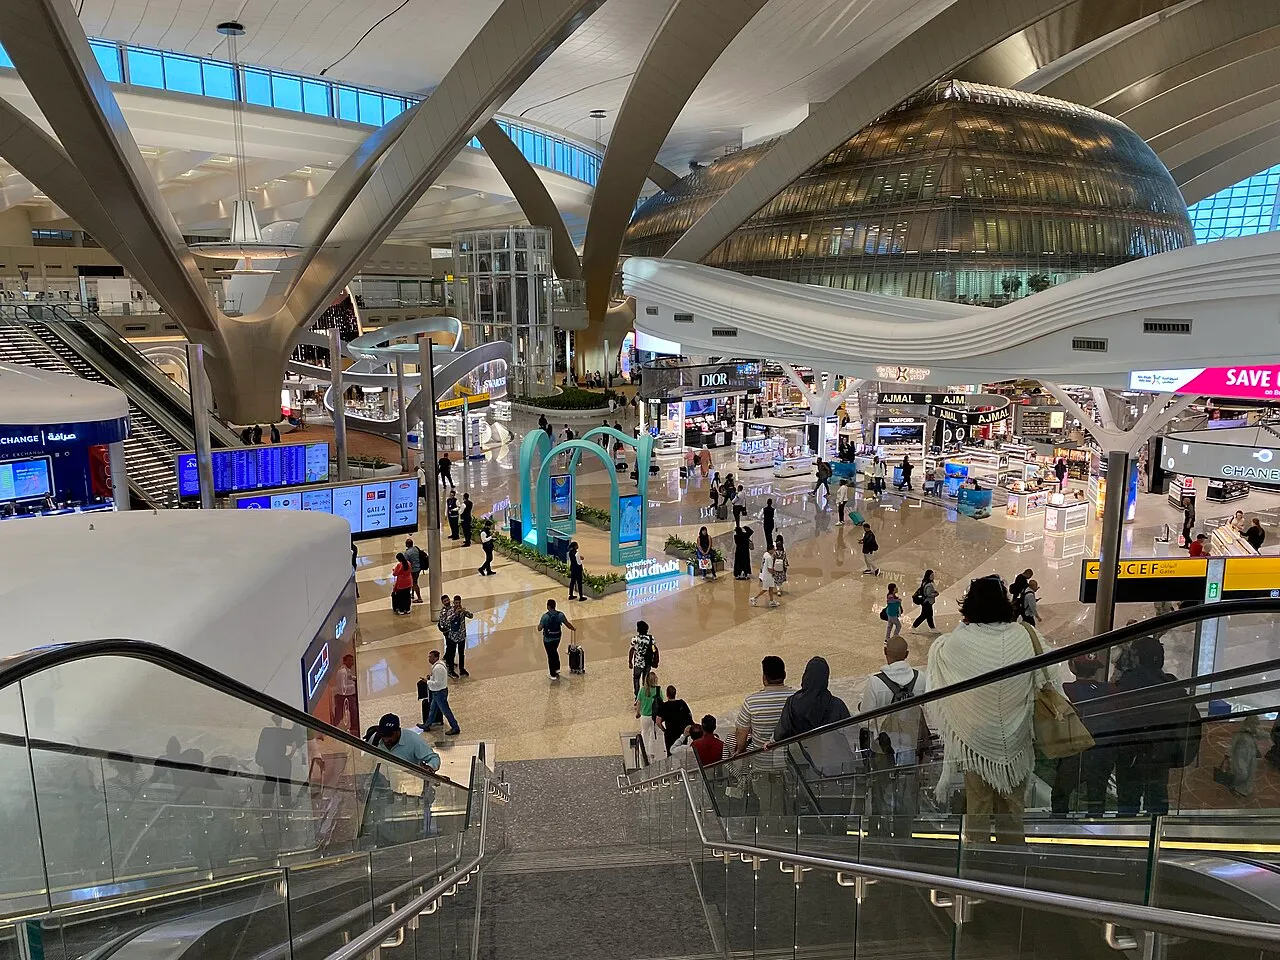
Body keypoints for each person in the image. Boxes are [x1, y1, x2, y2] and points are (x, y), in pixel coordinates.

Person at [926, 575, 1040, 845]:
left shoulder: (958, 642)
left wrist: (963, 627)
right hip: (1016, 736)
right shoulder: (1023, 635)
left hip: (976, 740)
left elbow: (938, 659)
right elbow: (1047, 678)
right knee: (1013, 807)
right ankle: (1013, 858)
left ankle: (978, 859)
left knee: (977, 806)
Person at [1114, 636, 1197, 816]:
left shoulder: (1131, 681)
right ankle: (1157, 828)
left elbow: (1117, 712)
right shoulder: (1170, 684)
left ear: (1138, 658)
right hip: (1161, 752)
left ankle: (1127, 828)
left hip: (1132, 752)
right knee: (1157, 793)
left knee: (1128, 798)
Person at [860, 636, 929, 837]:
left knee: (881, 793)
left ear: (885, 653)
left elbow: (864, 721)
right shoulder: (921, 679)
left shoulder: (875, 682)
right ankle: (904, 837)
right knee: (907, 795)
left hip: (883, 751)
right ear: (907, 655)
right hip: (911, 749)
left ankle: (880, 836)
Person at [1051, 653, 1115, 816]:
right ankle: (1095, 824)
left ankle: (1059, 824)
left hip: (1074, 751)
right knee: (1097, 796)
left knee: (1060, 794)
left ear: (1073, 667)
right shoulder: (1109, 690)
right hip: (1102, 751)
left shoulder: (1065, 690)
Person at [774, 657, 854, 782]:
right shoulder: (837, 705)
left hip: (802, 768)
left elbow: (779, 735)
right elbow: (851, 735)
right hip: (834, 769)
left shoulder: (792, 703)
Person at [1214, 715, 1262, 798]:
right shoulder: (1240, 733)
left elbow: (1266, 735)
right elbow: (1232, 745)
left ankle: (1243, 790)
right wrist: (1228, 754)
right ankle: (1234, 784)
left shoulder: (1255, 733)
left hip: (1251, 756)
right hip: (1239, 757)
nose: (1255, 725)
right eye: (1254, 723)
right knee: (1243, 774)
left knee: (1250, 774)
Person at [422, 651, 461, 735]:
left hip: (439, 692)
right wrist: (431, 678)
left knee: (446, 711)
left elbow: (438, 683)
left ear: (436, 657)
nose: (429, 659)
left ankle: (455, 727)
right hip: (437, 692)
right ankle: (427, 725)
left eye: (430, 657)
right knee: (432, 710)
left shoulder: (438, 668)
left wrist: (427, 682)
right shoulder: (438, 665)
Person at [537, 599, 575, 681]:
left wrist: (540, 626)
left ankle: (552, 674)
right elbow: (567, 624)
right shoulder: (560, 615)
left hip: (548, 639)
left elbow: (539, 628)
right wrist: (573, 628)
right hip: (557, 637)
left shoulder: (545, 616)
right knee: (554, 651)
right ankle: (557, 669)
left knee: (550, 655)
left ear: (548, 606)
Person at [656, 685, 694, 757]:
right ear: (675, 694)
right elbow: (689, 715)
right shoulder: (681, 703)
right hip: (682, 733)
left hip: (670, 734)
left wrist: (664, 730)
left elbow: (658, 721)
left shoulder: (664, 706)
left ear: (667, 694)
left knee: (671, 754)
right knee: (683, 754)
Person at [635, 670, 664, 758]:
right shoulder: (658, 690)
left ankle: (643, 751)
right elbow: (662, 703)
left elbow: (639, 702)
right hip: (654, 716)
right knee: (653, 734)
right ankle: (652, 752)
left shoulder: (642, 690)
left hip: (644, 716)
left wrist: (638, 712)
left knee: (644, 733)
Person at [443, 594, 472, 678]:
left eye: (459, 602)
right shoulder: (450, 611)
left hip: (461, 636)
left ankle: (462, 669)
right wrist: (455, 614)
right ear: (453, 602)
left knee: (461, 653)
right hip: (453, 636)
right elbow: (446, 622)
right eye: (456, 603)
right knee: (452, 653)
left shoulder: (462, 611)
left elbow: (471, 616)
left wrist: (465, 612)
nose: (458, 604)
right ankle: (451, 670)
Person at [629, 621, 659, 698]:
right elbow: (654, 649)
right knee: (645, 680)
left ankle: (637, 696)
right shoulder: (651, 638)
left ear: (638, 630)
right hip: (647, 662)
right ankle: (645, 694)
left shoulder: (635, 639)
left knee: (636, 679)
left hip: (638, 663)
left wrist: (630, 662)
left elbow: (632, 650)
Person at [331, 653, 359, 735]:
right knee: (340, 714)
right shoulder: (342, 672)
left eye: (352, 660)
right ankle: (334, 729)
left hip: (349, 696)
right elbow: (342, 687)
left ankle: (354, 727)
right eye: (349, 660)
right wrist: (353, 685)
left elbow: (349, 678)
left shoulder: (347, 671)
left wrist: (354, 679)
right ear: (344, 661)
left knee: (353, 711)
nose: (351, 662)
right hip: (343, 696)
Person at [750, 541, 779, 607]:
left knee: (771, 588)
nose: (774, 551)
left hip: (766, 574)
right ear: (770, 550)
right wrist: (774, 573)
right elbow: (769, 569)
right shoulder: (769, 558)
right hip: (768, 576)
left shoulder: (765, 554)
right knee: (765, 589)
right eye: (773, 550)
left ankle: (771, 601)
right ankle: (754, 598)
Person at [404, 538, 425, 604]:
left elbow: (405, 562)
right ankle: (412, 594)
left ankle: (419, 598)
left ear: (407, 544)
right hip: (418, 568)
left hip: (413, 570)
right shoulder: (416, 548)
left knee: (414, 583)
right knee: (414, 582)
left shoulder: (407, 553)